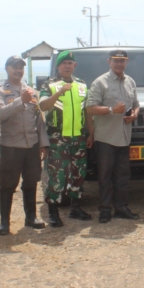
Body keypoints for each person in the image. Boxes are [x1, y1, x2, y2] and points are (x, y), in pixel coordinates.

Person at [0, 55, 50, 235]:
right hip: (11, 145)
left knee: (31, 181)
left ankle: (31, 217)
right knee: (7, 184)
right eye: (14, 66)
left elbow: (39, 119)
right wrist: (20, 101)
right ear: (7, 68)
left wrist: (43, 143)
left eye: (21, 67)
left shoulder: (31, 91)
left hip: (31, 144)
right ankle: (4, 222)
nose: (18, 70)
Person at [86, 49, 141, 223]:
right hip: (106, 139)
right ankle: (104, 210)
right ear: (109, 61)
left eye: (122, 60)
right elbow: (90, 107)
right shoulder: (100, 83)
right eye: (116, 60)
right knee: (105, 176)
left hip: (124, 137)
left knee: (123, 176)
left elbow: (136, 104)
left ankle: (121, 208)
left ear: (127, 62)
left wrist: (134, 115)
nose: (119, 63)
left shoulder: (130, 81)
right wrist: (111, 110)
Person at [39, 50, 92, 227]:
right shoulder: (50, 85)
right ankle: (53, 212)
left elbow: (87, 111)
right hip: (57, 138)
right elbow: (43, 105)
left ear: (74, 66)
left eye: (70, 63)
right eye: (64, 63)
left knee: (78, 174)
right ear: (58, 66)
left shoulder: (82, 85)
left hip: (78, 138)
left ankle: (75, 208)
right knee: (57, 176)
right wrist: (59, 92)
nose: (67, 66)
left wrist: (90, 132)